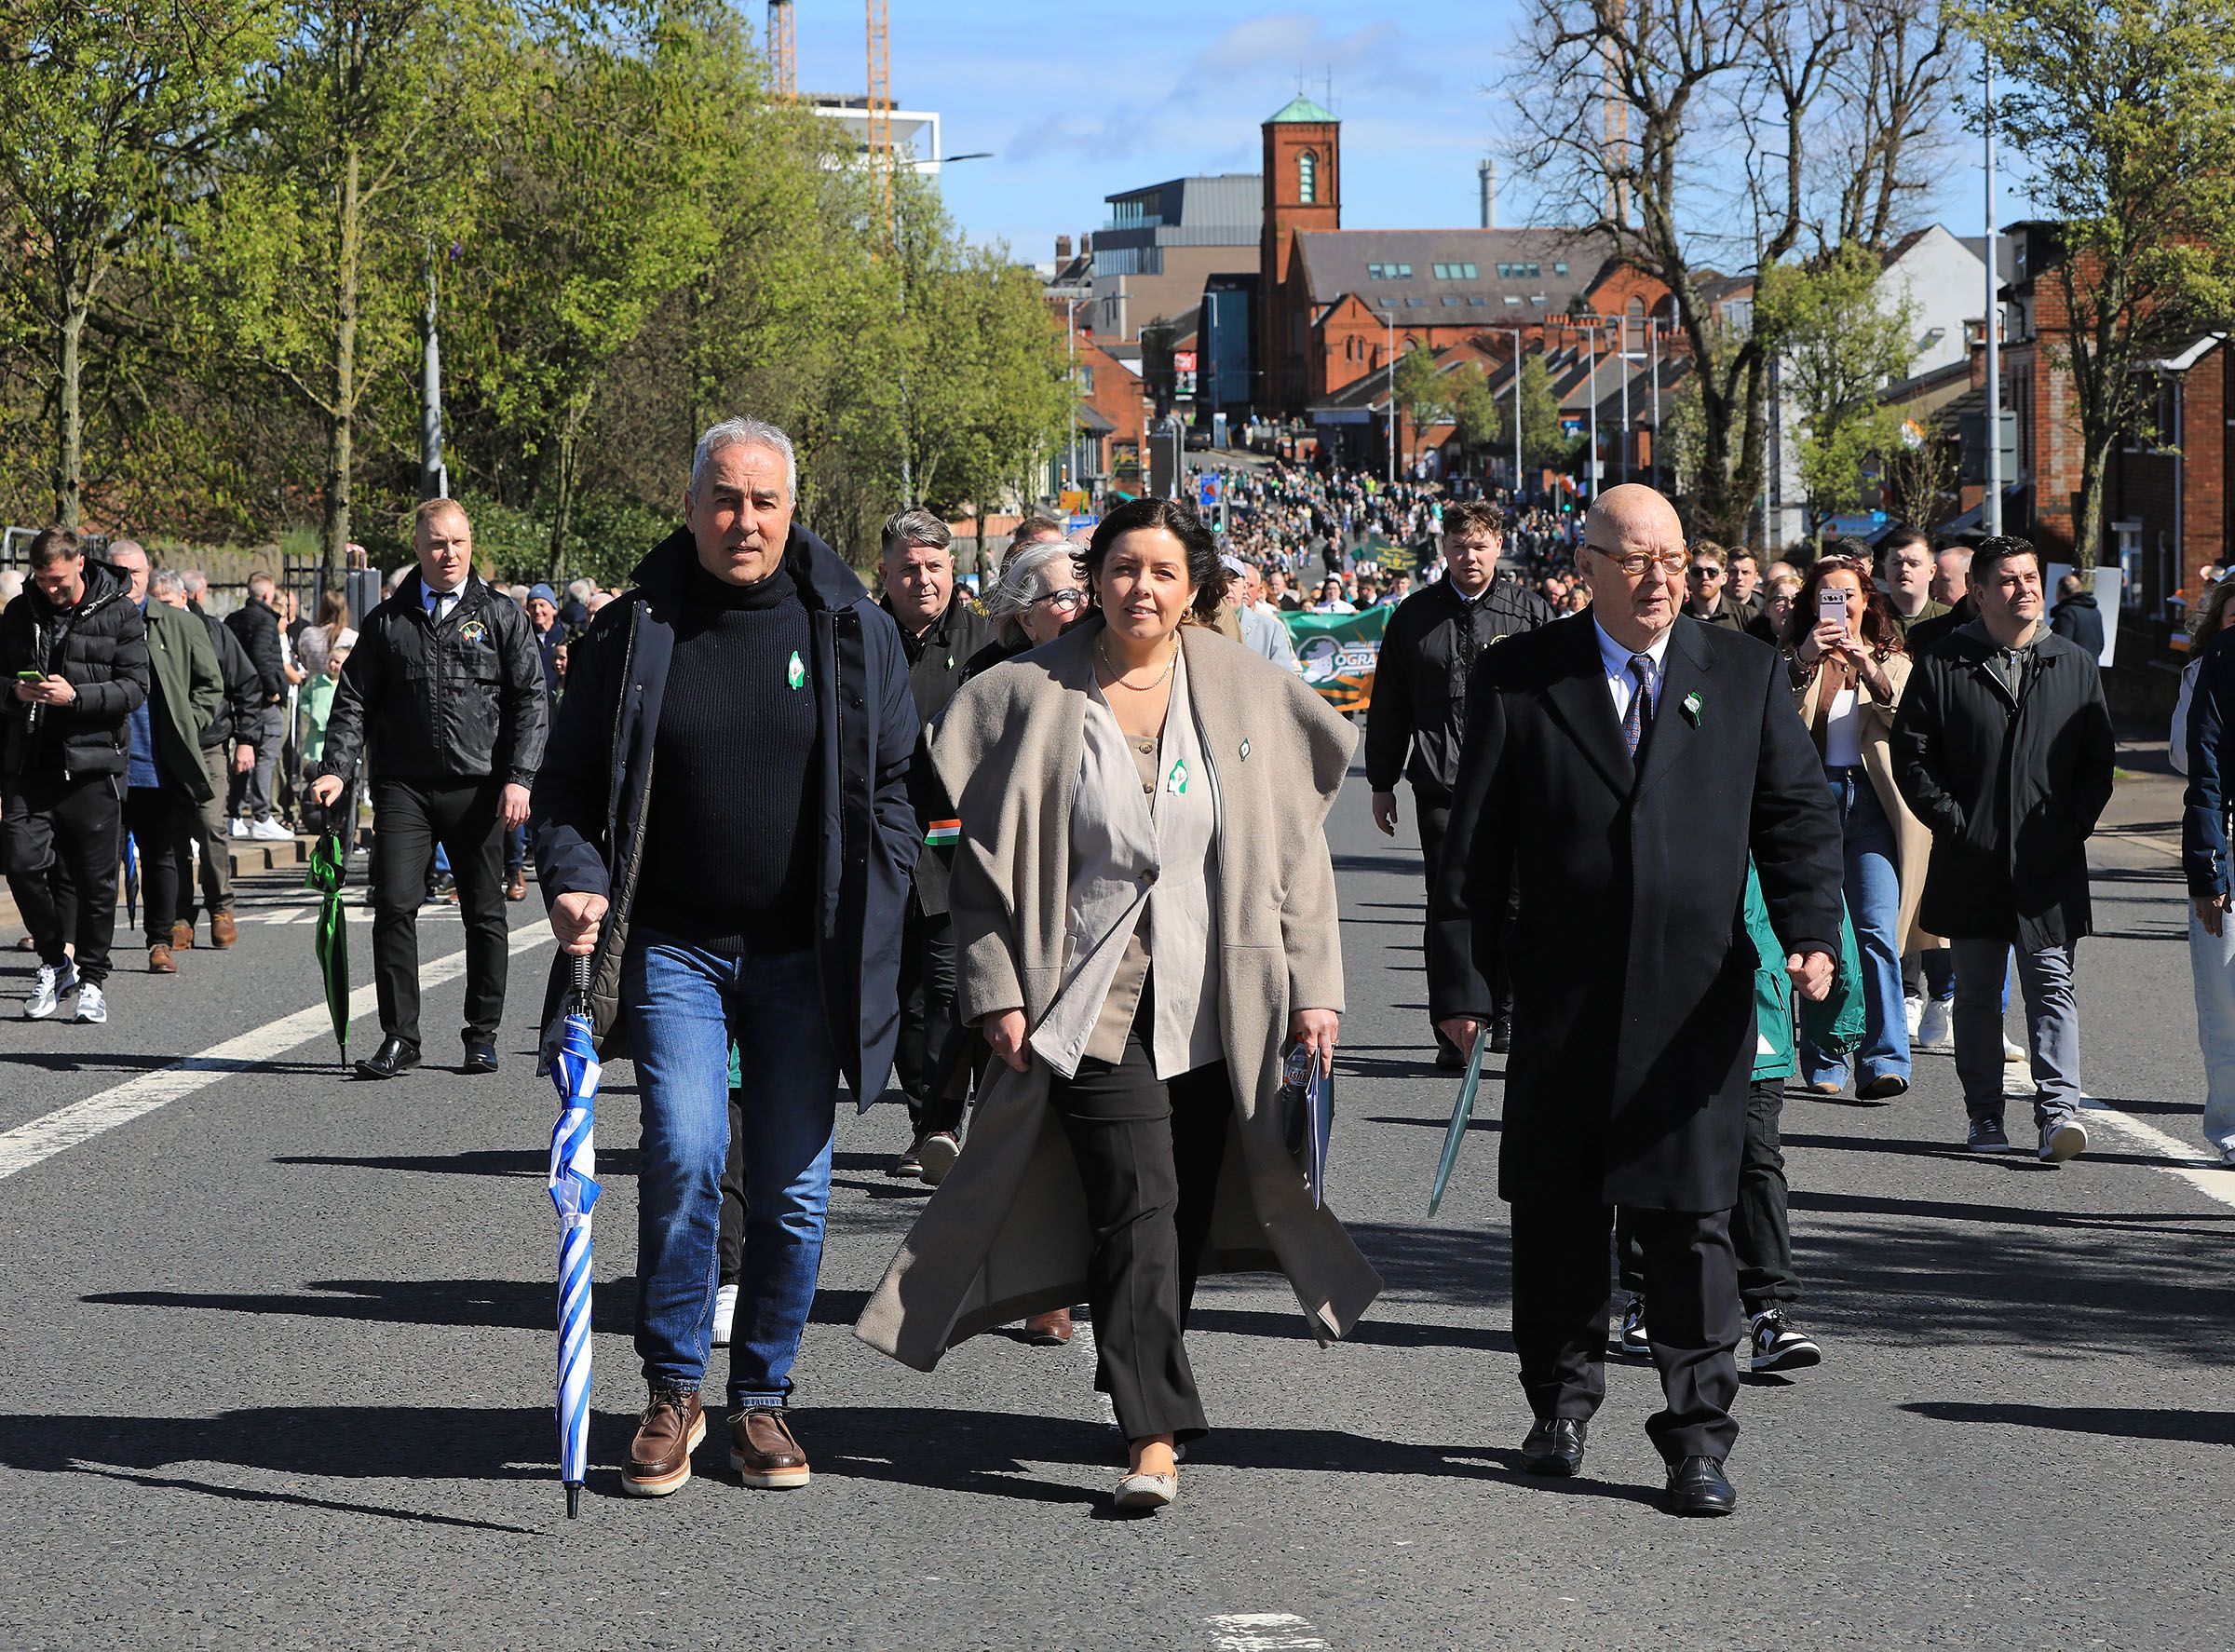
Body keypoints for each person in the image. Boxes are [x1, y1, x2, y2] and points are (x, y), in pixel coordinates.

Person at [854, 495, 1383, 1513]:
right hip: (1087, 995)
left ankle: (1138, 1357)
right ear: (1093, 577)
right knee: (1137, 1200)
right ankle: (1152, 1434)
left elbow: (1297, 859)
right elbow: (984, 871)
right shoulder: (1026, 694)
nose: (1142, 587)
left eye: (1165, 572)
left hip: (1220, 995)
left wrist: (1319, 991)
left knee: (1171, 1210)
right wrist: (997, 990)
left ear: (1196, 590)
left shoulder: (1243, 692)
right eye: (1124, 567)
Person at [1428, 483, 1843, 1518]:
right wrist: (1466, 982)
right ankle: (1560, 1404)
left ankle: (1697, 1435)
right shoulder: (1521, 677)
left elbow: (1794, 815)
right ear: (1591, 568)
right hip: (1564, 997)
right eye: (1636, 560)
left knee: (1692, 1222)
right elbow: (1475, 846)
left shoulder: (1741, 672)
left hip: (1695, 1002)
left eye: (1673, 558)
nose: (1661, 579)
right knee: (1560, 1218)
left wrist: (1810, 933)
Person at [532, 415, 918, 1501]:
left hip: (806, 951)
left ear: (794, 511)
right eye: (723, 497)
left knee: (795, 1189)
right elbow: (563, 790)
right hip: (676, 946)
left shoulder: (851, 627)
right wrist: (573, 874)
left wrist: (876, 889)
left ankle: (762, 1397)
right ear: (691, 502)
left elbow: (897, 787)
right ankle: (671, 1387)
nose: (742, 519)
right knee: (690, 1152)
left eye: (763, 501)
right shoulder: (633, 631)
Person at [1891, 535, 2116, 1161]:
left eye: (2031, 577)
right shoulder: (1943, 663)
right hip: (1972, 861)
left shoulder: (2071, 662)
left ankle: (2058, 1114)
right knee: (1980, 994)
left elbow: (2099, 763)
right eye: (2009, 581)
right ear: (1979, 593)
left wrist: (2068, 828)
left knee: (2052, 984)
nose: (2025, 589)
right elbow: (1913, 757)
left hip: (2049, 865)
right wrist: (1957, 823)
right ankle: (1985, 1116)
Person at [309, 498, 548, 1079]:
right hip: (404, 788)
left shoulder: (499, 615)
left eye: (459, 542)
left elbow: (531, 700)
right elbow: (354, 701)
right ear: (418, 548)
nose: (450, 554)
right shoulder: (388, 622)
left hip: (479, 787)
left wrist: (519, 778)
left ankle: (482, 1033)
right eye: (438, 543)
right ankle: (400, 1035)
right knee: (393, 906)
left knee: (484, 913)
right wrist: (337, 767)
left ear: (472, 545)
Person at [1618, 863, 1862, 1374]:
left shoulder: (1770, 802)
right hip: (1660, 1011)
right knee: (1650, 1148)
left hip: (1757, 1019)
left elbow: (1816, 890)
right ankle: (1645, 1298)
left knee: (1756, 1159)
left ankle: (1769, 1315)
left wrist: (1840, 1012)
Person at [1366, 497, 1553, 1063]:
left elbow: (1554, 701)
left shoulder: (1530, 613)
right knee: (1450, 904)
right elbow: (1389, 703)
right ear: (1443, 548)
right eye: (1458, 545)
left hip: (1513, 782)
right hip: (1440, 781)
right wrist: (1381, 780)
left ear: (1499, 546)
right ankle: (1454, 1025)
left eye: (1479, 545)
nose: (1469, 556)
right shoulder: (1413, 616)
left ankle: (1507, 1013)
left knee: (1518, 901)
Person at [1778, 553, 1934, 1100]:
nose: (1841, 605)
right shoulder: (1795, 659)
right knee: (1818, 933)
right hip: (1809, 803)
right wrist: (1804, 658)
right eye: (1829, 595)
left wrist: (1867, 667)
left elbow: (1911, 715)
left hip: (1869, 805)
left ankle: (1885, 1057)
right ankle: (1824, 1058)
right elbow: (1774, 715)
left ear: (1868, 602)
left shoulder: (1892, 659)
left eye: (1850, 595)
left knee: (1875, 931)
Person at [874, 508, 996, 1176]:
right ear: (885, 574)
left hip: (958, 854)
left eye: (935, 567)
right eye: (909, 569)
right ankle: (927, 1122)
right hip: (884, 850)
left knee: (951, 994)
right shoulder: (859, 640)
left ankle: (946, 1125)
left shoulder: (984, 644)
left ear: (954, 571)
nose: (923, 580)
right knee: (899, 998)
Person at [2, 528, 152, 1023]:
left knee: (96, 881)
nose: (51, 590)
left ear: (80, 565)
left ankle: (92, 978)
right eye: (43, 580)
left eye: (60, 581)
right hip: (30, 763)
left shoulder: (120, 611)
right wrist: (15, 693)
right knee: (21, 863)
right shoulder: (20, 612)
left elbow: (134, 688)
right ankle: (53, 961)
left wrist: (78, 697)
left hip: (93, 765)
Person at [104, 546, 224, 976]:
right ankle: (88, 949)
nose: (126, 579)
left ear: (147, 572)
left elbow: (211, 684)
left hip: (158, 765)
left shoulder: (178, 622)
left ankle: (160, 941)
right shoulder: (97, 621)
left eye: (133, 571)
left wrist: (185, 725)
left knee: (162, 857)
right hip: (105, 765)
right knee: (98, 863)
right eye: (118, 571)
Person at [2177, 576, 2235, 1166]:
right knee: (2227, 1001)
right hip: (2231, 844)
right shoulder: (2222, 658)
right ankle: (2230, 1123)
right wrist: (2207, 870)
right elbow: (2207, 772)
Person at [171, 571, 257, 948]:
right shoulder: (142, 632)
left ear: (188, 598)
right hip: (164, 747)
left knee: (209, 826)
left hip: (208, 744)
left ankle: (220, 907)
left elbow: (246, 684)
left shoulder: (214, 632)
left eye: (172, 604)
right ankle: (177, 915)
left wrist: (246, 741)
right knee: (171, 835)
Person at [224, 572, 292, 841]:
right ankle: (262, 816)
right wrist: (274, 690)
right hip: (263, 701)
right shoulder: (265, 621)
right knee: (266, 756)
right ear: (266, 595)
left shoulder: (232, 619)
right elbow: (263, 658)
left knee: (243, 757)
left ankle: (234, 813)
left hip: (239, 697)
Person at [1228, 558, 1301, 671]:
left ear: (1259, 590)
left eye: (1250, 586)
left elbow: (1293, 671)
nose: (1245, 591)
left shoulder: (1272, 626)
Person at [1877, 527, 1947, 636]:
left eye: (1913, 563)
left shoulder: (1951, 621)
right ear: (1885, 569)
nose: (1904, 569)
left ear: (1931, 572)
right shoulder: (1870, 619)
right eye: (1896, 563)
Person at [1679, 543, 1747, 629]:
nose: (1705, 577)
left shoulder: (1746, 617)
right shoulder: (1676, 617)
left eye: (1712, 572)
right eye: (1697, 572)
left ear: (1724, 578)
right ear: (1687, 578)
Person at [2049, 572, 2106, 659]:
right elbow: (2100, 644)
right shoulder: (2095, 611)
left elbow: (2060, 647)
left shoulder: (2067, 613)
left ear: (2060, 591)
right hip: (2092, 668)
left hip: (2072, 670)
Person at [1747, 571, 1801, 645]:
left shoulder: (1813, 641)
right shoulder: (1752, 643)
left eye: (1796, 600)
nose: (1789, 606)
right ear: (1767, 609)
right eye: (1781, 600)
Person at [1727, 548, 1762, 617]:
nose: (1739, 577)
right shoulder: (1706, 607)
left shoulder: (1766, 610)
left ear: (1755, 577)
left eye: (1745, 572)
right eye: (1733, 572)